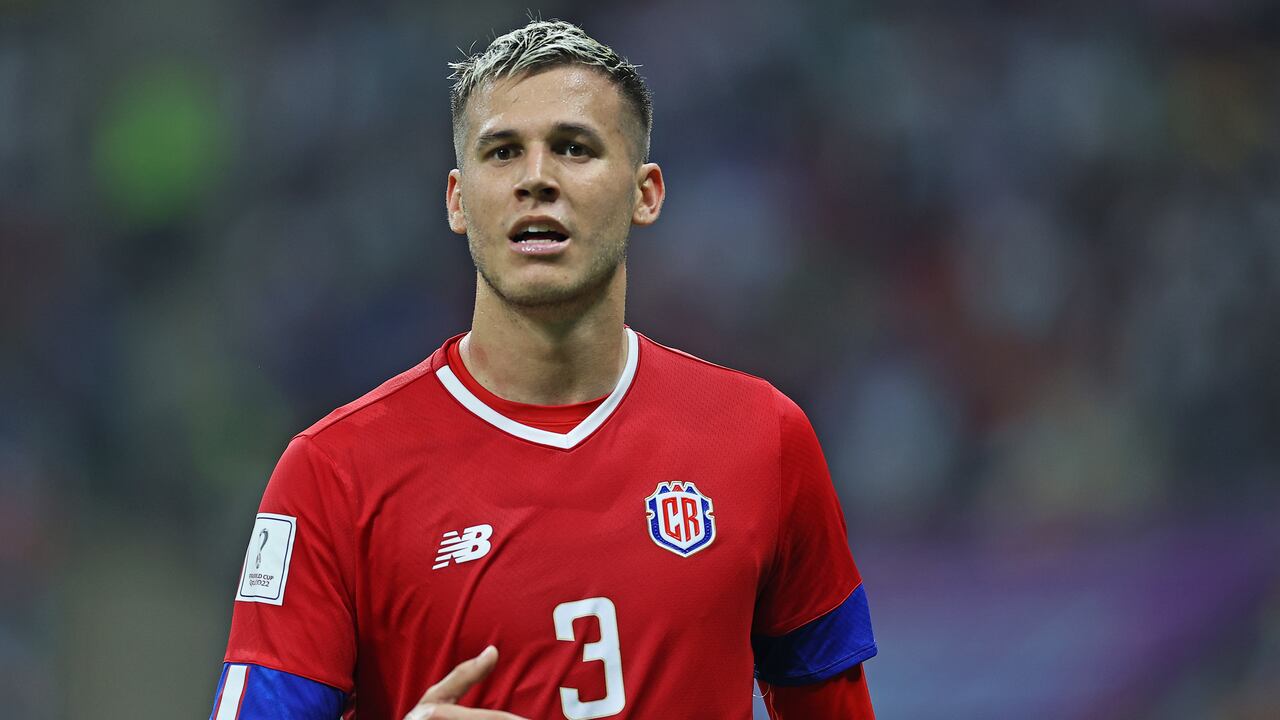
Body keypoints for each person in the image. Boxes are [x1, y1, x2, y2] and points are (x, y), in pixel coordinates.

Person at [209, 19, 877, 720]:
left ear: (645, 193)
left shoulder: (763, 439)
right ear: (458, 201)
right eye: (502, 153)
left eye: (573, 148)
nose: (536, 179)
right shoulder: (332, 474)